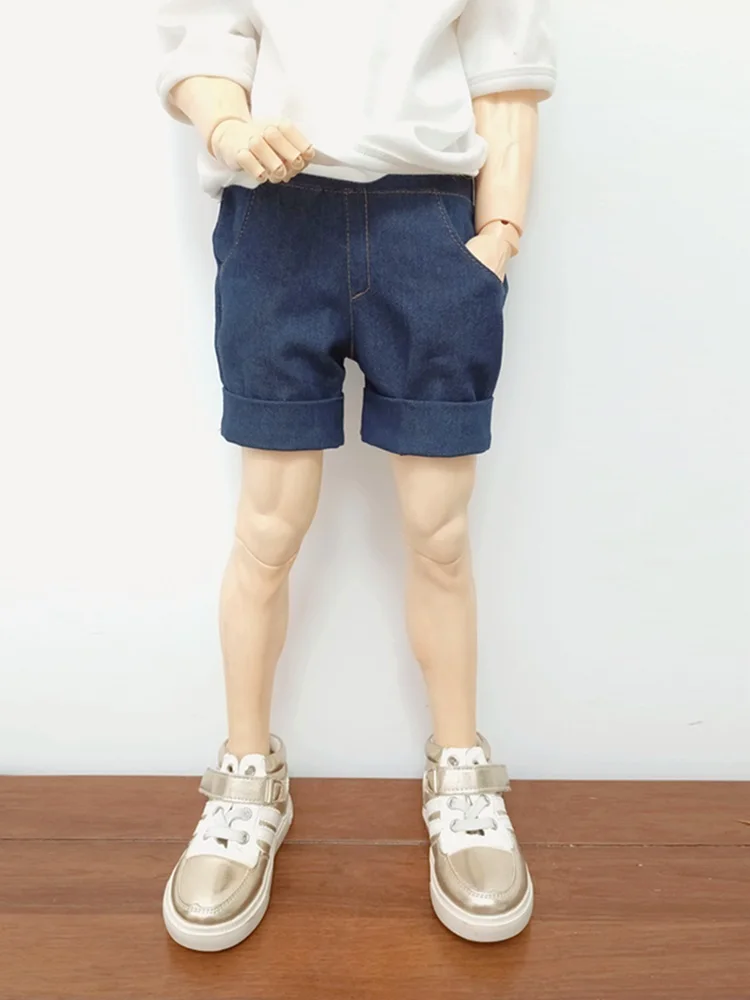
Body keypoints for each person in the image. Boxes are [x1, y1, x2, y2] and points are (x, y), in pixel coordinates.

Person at [156, 0, 556, 951]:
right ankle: (246, 773)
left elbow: (506, 78)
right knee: (266, 529)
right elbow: (206, 46)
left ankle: (460, 769)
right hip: (276, 220)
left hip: (431, 227)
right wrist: (229, 126)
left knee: (441, 531)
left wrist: (497, 236)